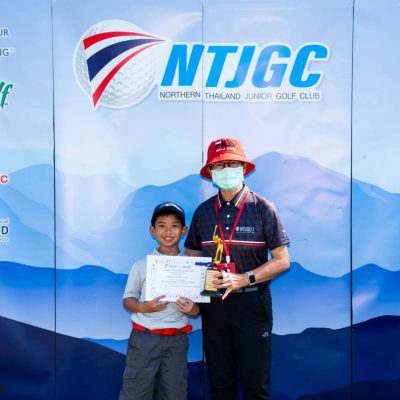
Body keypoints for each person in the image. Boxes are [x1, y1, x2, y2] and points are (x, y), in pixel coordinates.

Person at [185, 138, 290, 400]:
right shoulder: (203, 212)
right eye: (219, 165)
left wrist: (244, 279)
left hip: (252, 303)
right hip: (214, 305)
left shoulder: (263, 208)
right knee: (220, 385)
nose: (226, 169)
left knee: (255, 387)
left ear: (243, 167)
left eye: (232, 163)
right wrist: (194, 296)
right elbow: (191, 256)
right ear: (211, 172)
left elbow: (282, 260)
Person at [119, 202, 200, 400]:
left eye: (174, 225)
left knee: (174, 394)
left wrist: (193, 309)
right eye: (162, 225)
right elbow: (128, 300)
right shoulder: (141, 265)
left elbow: (198, 309)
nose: (168, 231)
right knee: (135, 393)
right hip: (144, 339)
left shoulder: (193, 267)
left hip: (177, 341)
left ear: (183, 231)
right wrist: (143, 307)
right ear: (152, 230)